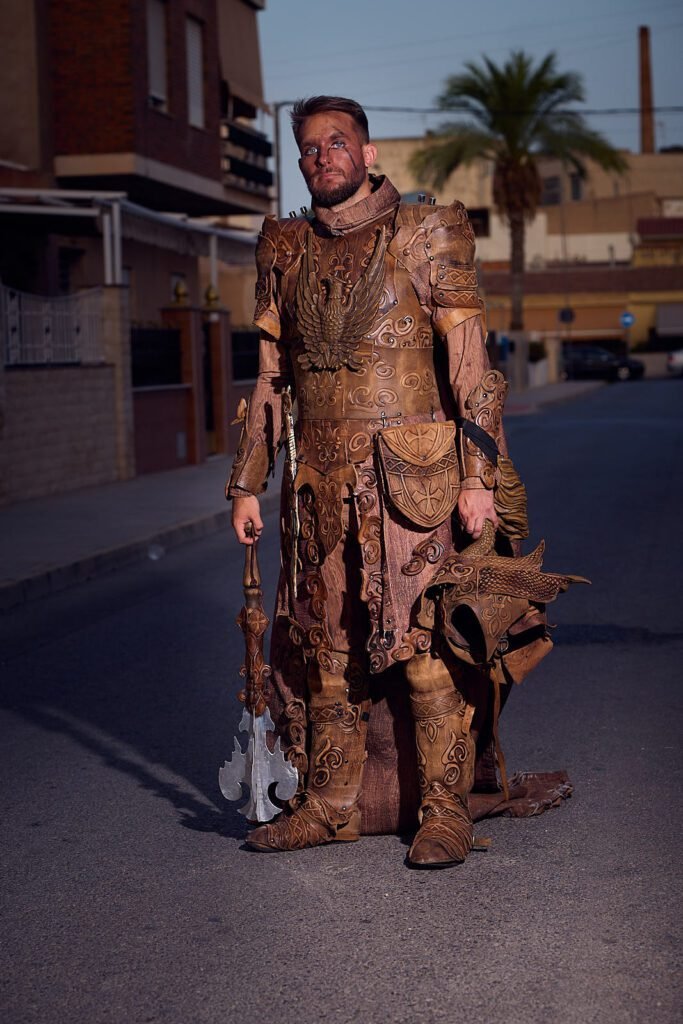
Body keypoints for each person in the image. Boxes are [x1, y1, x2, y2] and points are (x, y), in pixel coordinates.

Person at [227, 96, 581, 868]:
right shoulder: (282, 247)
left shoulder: (428, 232)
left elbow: (471, 370)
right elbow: (268, 379)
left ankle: (444, 812)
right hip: (315, 487)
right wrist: (248, 484)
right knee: (328, 650)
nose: (324, 157)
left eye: (338, 143)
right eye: (310, 148)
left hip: (412, 481)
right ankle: (327, 805)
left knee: (422, 647)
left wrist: (477, 477)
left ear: (368, 150)